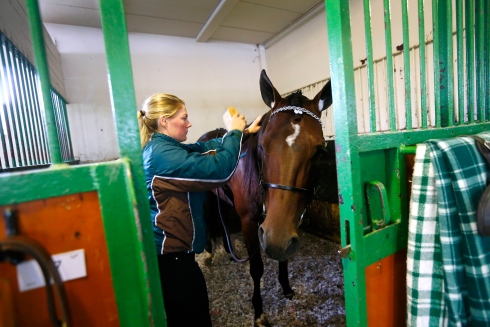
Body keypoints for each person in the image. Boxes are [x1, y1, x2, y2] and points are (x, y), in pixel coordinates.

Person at [137, 93, 261, 327]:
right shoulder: (162, 155)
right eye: (184, 118)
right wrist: (233, 131)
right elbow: (220, 170)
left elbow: (202, 147)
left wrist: (241, 133)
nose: (189, 123)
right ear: (164, 121)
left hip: (173, 255)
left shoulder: (163, 147)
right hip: (173, 260)